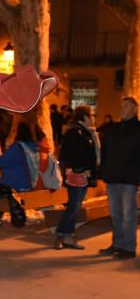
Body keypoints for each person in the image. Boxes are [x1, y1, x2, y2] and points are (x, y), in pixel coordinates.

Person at [98, 96, 139, 259]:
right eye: (121, 106)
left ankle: (128, 248)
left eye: (126, 107)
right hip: (113, 177)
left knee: (128, 214)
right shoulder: (113, 129)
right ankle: (117, 244)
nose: (122, 109)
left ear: (134, 110)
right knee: (115, 214)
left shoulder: (138, 129)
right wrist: (104, 172)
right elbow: (105, 152)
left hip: (129, 179)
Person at [54, 105, 99, 250]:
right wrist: (75, 170)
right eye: (91, 116)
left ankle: (68, 236)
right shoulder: (75, 133)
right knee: (73, 207)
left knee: (75, 206)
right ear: (84, 117)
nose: (93, 118)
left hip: (83, 175)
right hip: (77, 175)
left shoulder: (86, 132)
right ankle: (61, 235)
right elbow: (68, 155)